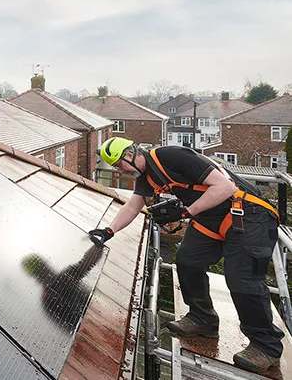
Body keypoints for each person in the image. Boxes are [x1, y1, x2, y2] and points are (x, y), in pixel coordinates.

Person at [88, 137, 283, 373]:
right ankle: (203, 320)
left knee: (242, 280)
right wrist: (109, 231)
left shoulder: (172, 157)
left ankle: (266, 347)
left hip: (249, 215)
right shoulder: (146, 177)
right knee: (187, 261)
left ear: (130, 154)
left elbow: (226, 188)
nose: (121, 171)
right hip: (210, 218)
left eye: (120, 165)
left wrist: (185, 212)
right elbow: (133, 205)